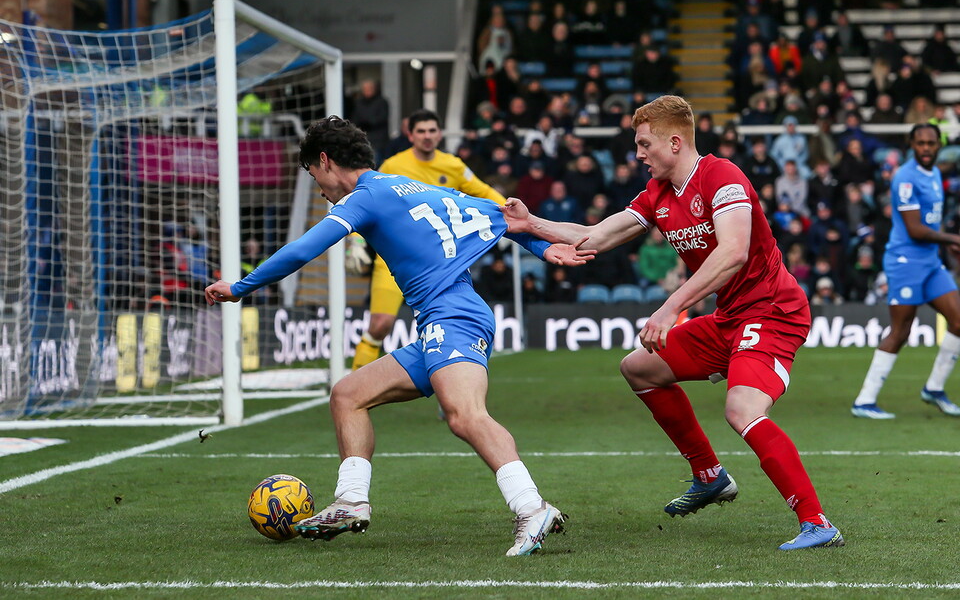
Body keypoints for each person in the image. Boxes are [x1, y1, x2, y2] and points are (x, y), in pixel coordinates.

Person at [205, 116, 595, 555]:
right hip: (441, 319)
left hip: (454, 315)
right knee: (347, 395)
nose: (318, 187)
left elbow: (303, 249)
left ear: (326, 161)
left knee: (464, 414)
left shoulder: (364, 198)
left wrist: (239, 287)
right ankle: (351, 500)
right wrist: (544, 246)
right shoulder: (414, 187)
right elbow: (507, 220)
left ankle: (531, 507)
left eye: (313, 173)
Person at [502, 95, 844, 550]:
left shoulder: (722, 177)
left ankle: (818, 523)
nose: (638, 154)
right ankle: (710, 476)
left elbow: (733, 251)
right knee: (638, 367)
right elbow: (596, 236)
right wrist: (531, 225)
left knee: (741, 410)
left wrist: (669, 307)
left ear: (676, 142)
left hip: (772, 313)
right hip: (730, 319)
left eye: (644, 144)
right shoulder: (659, 192)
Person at [350, 109, 508, 371]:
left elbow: (484, 191)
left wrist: (512, 213)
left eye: (432, 130)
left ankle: (452, 399)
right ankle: (353, 384)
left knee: (448, 331)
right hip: (393, 261)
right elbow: (365, 201)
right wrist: (355, 242)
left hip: (442, 263)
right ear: (410, 135)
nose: (427, 136)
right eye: (421, 131)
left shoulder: (453, 165)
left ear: (440, 134)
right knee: (380, 324)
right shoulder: (393, 166)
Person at [851, 124, 960, 420]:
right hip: (905, 263)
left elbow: (929, 223)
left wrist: (945, 244)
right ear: (911, 144)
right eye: (921, 143)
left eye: (931, 143)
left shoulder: (935, 173)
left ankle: (934, 388)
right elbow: (914, 228)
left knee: (959, 320)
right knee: (900, 332)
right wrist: (952, 238)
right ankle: (864, 400)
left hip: (930, 262)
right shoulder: (906, 178)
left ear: (939, 145)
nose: (926, 148)